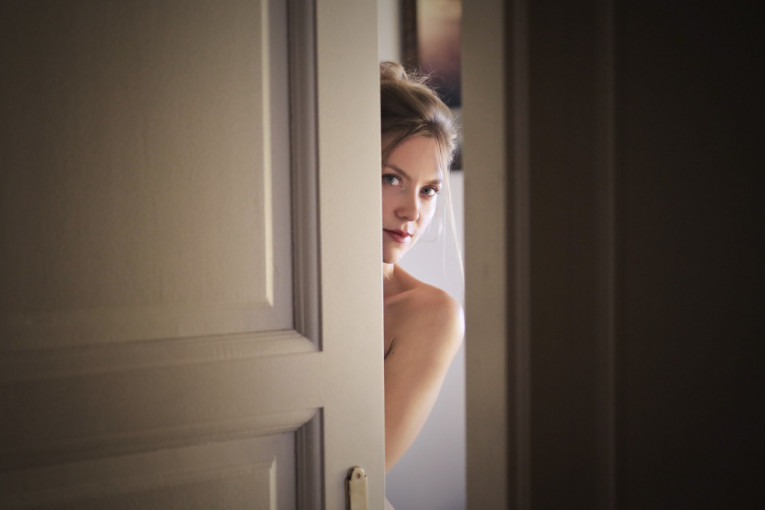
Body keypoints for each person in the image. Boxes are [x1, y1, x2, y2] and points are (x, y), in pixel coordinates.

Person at [379, 61, 464, 481]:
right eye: (391, 179)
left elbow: (355, 473)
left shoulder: (429, 314)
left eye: (429, 190)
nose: (412, 212)